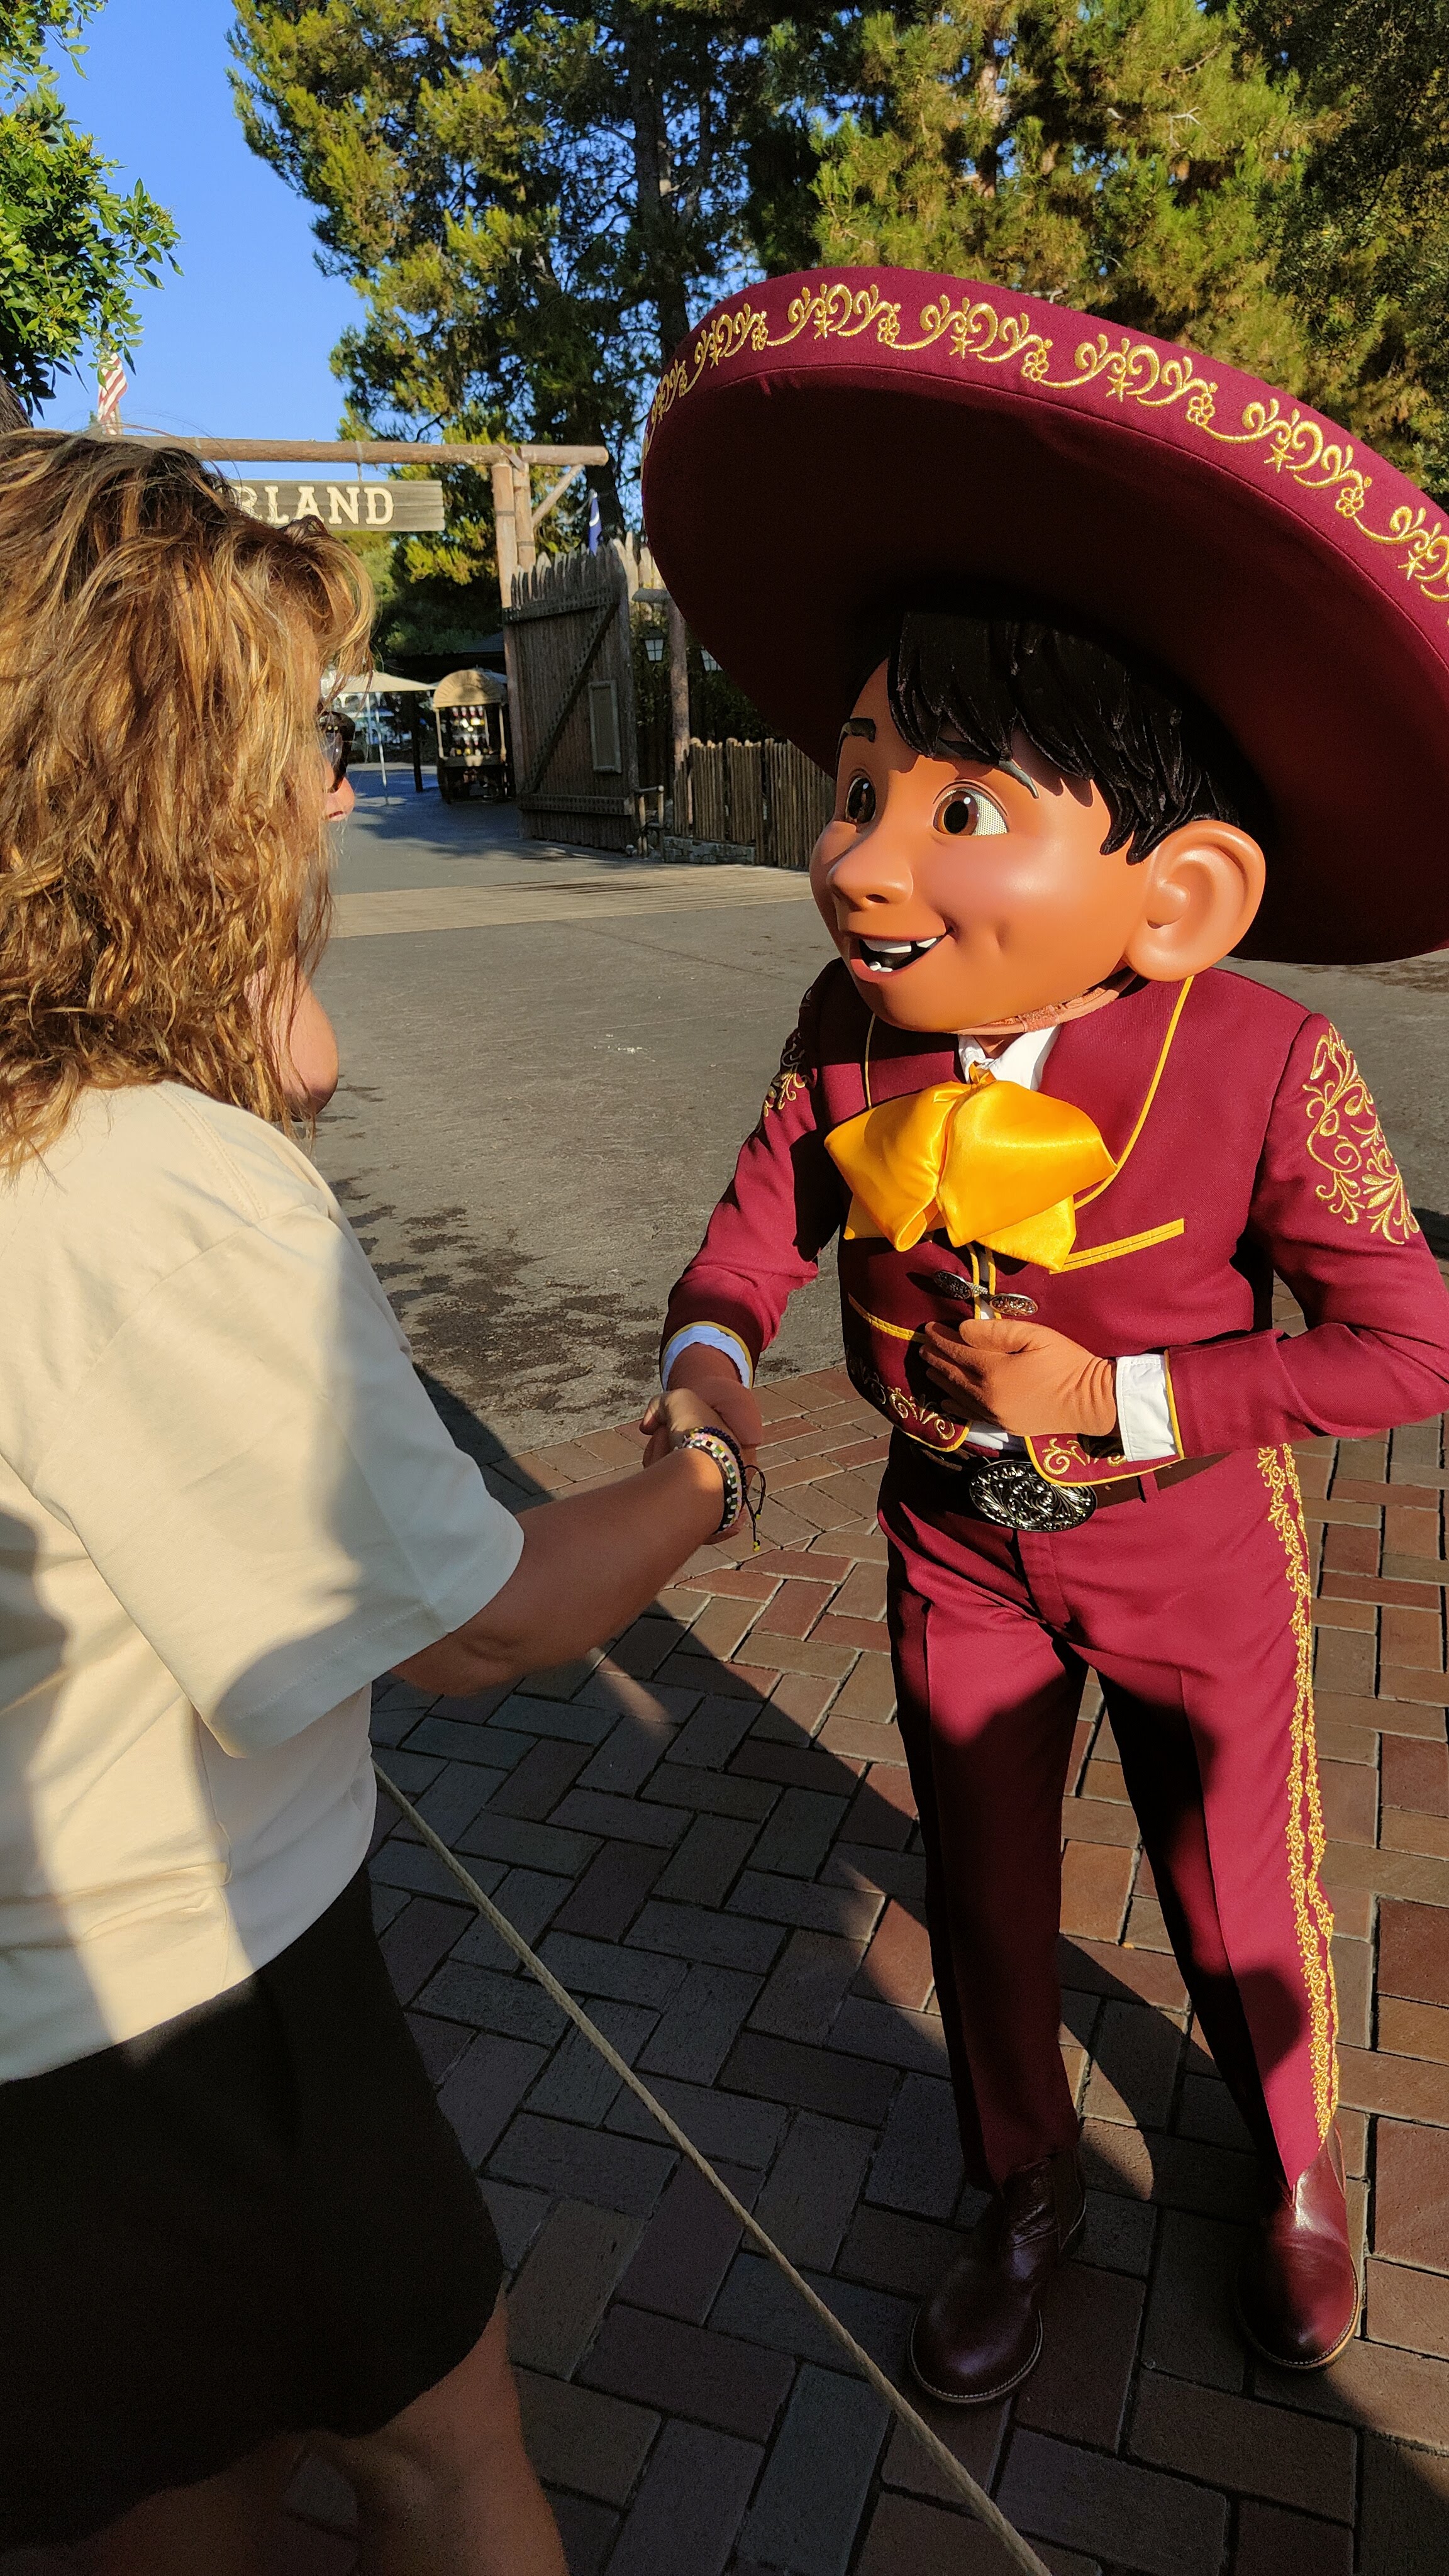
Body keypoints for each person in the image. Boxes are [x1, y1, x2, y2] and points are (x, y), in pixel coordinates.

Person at [640, 265, 1449, 2401]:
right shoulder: (847, 1027)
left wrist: (1144, 1391)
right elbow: (746, 1244)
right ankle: (1021, 2181)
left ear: (1174, 891)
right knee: (984, 1898)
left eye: (957, 810)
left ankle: (1288, 2169)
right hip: (949, 1547)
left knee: (1235, 1884)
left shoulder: (1269, 1060)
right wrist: (705, 1388)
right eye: (861, 784)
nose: (858, 864)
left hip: (1187, 1549)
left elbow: (1405, 1350)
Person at [0, 432, 744, 2573]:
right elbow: (486, 1622)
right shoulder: (147, 1181)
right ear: (156, 791)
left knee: (171, 2490)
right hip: (178, 2013)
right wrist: (699, 1476)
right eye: (294, 746)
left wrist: (256, 1081)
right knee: (447, 2455)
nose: (337, 796)